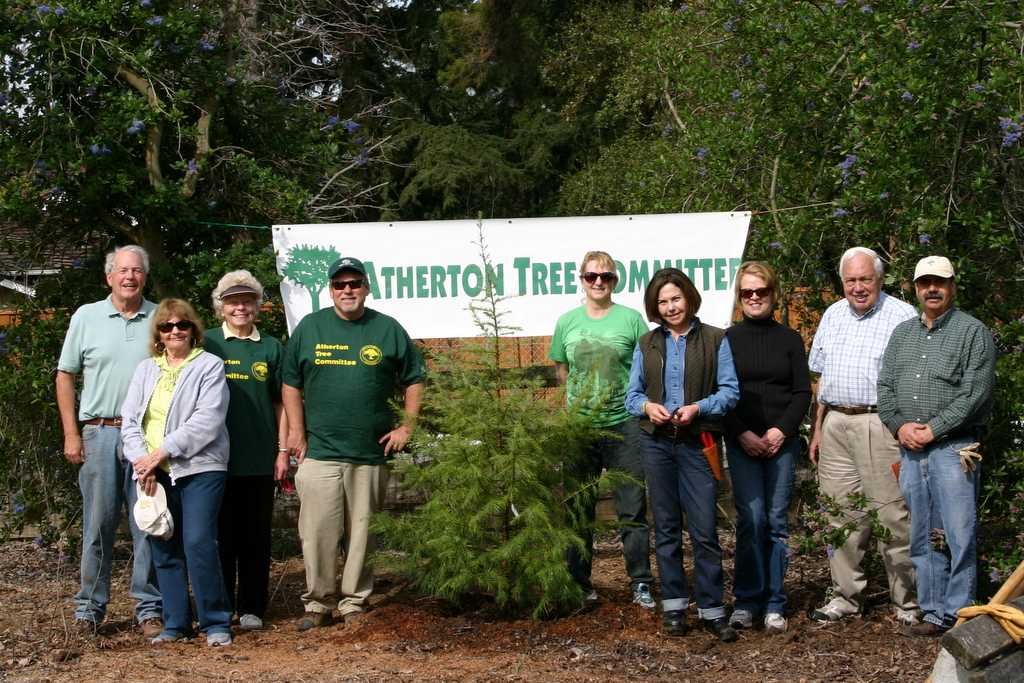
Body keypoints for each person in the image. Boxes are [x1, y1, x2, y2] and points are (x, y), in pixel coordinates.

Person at [283, 257, 425, 631]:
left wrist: (407, 426)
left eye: (355, 283)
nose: (348, 290)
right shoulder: (310, 328)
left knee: (363, 533)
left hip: (369, 452)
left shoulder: (387, 329)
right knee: (317, 532)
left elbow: (414, 377)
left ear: (366, 287)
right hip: (320, 451)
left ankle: (354, 601)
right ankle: (317, 602)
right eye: (340, 284)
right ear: (330, 290)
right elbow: (290, 382)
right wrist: (295, 432)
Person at [878, 256, 995, 636]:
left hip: (954, 448)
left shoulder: (973, 332)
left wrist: (933, 429)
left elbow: (974, 394)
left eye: (940, 282)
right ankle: (931, 611)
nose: (933, 289)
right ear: (914, 288)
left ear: (952, 287)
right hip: (911, 451)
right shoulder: (902, 334)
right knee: (923, 533)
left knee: (959, 534)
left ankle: (958, 613)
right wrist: (900, 427)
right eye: (925, 282)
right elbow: (885, 389)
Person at [624, 268, 740, 641]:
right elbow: (632, 396)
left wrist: (699, 407)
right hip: (656, 443)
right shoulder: (647, 343)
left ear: (688, 298)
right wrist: (647, 408)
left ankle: (712, 609)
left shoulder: (716, 339)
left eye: (676, 298)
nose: (671, 306)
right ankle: (674, 605)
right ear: (654, 307)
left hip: (698, 442)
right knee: (667, 530)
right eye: (663, 301)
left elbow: (730, 392)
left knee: (705, 530)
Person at [807, 246, 919, 626]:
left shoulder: (903, 316)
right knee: (840, 517)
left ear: (880, 279)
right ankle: (845, 597)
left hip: (881, 424)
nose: (858, 287)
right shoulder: (833, 313)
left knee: (893, 517)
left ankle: (907, 603)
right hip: (836, 422)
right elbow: (821, 377)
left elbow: (915, 379)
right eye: (851, 280)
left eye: (865, 279)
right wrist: (819, 428)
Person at [55, 245, 163, 637]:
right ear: (109, 277)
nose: (129, 276)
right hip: (98, 433)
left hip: (146, 439)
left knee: (148, 523)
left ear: (144, 277)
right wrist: (71, 433)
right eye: (122, 270)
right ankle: (89, 609)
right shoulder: (86, 316)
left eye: (136, 270)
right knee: (97, 525)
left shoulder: (161, 318)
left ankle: (149, 608)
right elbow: (64, 374)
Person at [121, 299, 234, 647]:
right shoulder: (145, 370)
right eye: (167, 326)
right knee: (163, 543)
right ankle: (175, 623)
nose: (175, 331)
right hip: (153, 472)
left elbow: (208, 419)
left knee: (198, 541)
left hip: (200, 468)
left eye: (182, 325)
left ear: (192, 330)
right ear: (158, 333)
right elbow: (130, 422)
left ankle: (215, 622)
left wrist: (162, 452)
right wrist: (144, 462)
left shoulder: (210, 366)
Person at [548, 251, 655, 608]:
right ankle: (579, 583)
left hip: (624, 426)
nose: (598, 282)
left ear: (615, 281)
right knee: (578, 510)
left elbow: (645, 367)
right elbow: (562, 370)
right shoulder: (567, 321)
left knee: (632, 509)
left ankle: (640, 581)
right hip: (579, 430)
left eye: (606, 276)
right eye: (592, 276)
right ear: (581, 279)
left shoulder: (631, 319)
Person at [724, 262, 812, 634]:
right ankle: (746, 601)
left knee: (777, 522)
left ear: (773, 294)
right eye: (748, 292)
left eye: (761, 291)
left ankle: (775, 601)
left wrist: (781, 431)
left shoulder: (790, 339)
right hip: (742, 442)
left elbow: (802, 392)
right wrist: (742, 433)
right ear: (740, 297)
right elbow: (719, 394)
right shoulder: (725, 339)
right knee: (751, 519)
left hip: (782, 444)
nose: (755, 297)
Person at [205, 271, 289, 632]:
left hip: (259, 458)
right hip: (211, 460)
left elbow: (282, 404)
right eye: (232, 301)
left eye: (247, 300)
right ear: (220, 307)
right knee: (220, 538)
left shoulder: (271, 347)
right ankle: (220, 608)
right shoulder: (205, 343)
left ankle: (253, 607)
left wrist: (283, 451)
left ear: (257, 306)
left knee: (255, 539)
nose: (240, 307)